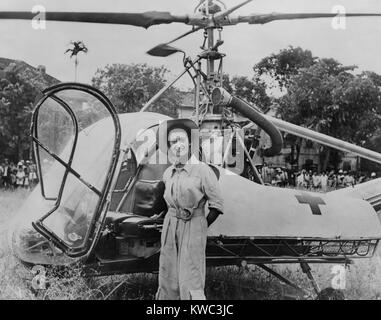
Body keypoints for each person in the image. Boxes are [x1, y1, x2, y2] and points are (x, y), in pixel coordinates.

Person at [156, 119, 224, 300]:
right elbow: (169, 202)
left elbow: (217, 205)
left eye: (181, 140)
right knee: (168, 274)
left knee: (190, 277)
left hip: (193, 226)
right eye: (172, 142)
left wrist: (200, 225)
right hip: (170, 227)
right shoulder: (168, 173)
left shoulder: (203, 170)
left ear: (190, 143)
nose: (177, 146)